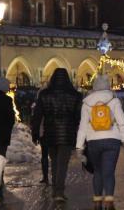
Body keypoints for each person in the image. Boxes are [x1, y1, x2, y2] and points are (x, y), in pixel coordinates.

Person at [76, 74, 124, 210]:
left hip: (93, 141)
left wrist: (79, 147)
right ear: (108, 86)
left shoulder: (87, 102)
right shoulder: (114, 100)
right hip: (113, 140)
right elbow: (122, 122)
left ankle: (97, 201)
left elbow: (82, 126)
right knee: (109, 172)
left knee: (98, 171)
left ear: (94, 86)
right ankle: (109, 202)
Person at [31, 68, 82, 202]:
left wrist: (35, 133)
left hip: (50, 133)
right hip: (67, 133)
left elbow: (37, 116)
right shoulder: (75, 95)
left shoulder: (44, 94)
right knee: (62, 163)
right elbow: (78, 117)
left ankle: (56, 190)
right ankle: (59, 191)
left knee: (54, 162)